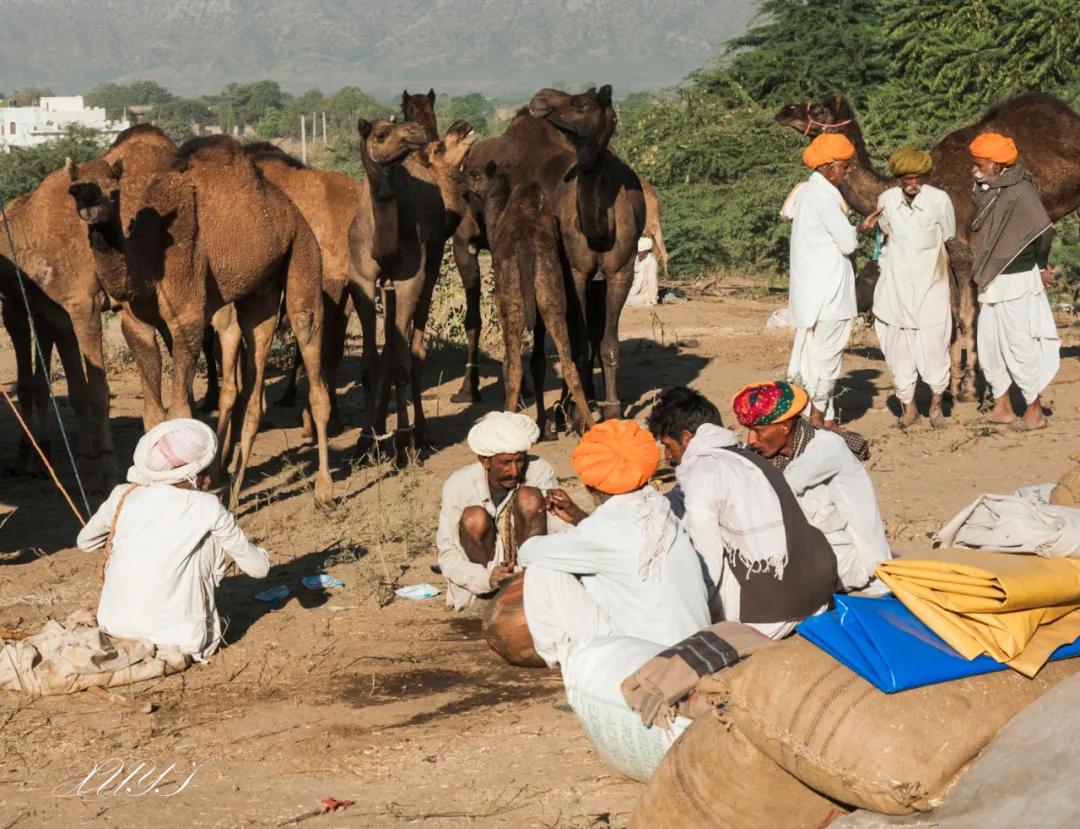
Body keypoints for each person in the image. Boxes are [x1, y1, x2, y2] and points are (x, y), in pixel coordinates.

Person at [647, 386, 839, 639]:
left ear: (686, 436)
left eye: (669, 445)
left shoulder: (701, 473)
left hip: (774, 614)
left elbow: (709, 560)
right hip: (818, 592)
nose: (668, 456)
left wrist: (695, 621)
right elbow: (676, 499)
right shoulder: (748, 459)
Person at [519, 419, 709, 666]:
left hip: (651, 665)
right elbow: (615, 542)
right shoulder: (662, 508)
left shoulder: (603, 529)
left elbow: (528, 552)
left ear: (589, 489)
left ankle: (569, 670)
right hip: (698, 654)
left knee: (541, 570)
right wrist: (578, 518)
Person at [76, 418, 269, 661]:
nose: (208, 476)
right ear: (194, 471)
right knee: (210, 539)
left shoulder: (122, 494)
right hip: (181, 640)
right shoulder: (207, 506)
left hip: (114, 627)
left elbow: (85, 542)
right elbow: (259, 569)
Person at [735, 381, 891, 591]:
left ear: (785, 426)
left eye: (758, 430)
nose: (751, 440)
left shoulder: (827, 448)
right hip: (822, 569)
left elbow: (778, 488)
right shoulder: (774, 455)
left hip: (861, 575)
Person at [784, 132, 882, 427]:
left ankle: (821, 415)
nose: (848, 170)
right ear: (829, 168)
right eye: (844, 166)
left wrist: (856, 227)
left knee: (812, 357)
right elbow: (848, 245)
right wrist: (859, 230)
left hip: (809, 293)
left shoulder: (804, 192)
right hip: (830, 294)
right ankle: (817, 416)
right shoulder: (825, 196)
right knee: (828, 357)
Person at [969, 132, 1060, 431]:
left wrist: (1040, 266)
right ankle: (1002, 406)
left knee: (1019, 345)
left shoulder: (1020, 191)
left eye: (979, 163)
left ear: (996, 164)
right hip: (993, 280)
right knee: (990, 344)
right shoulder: (986, 189)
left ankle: (1034, 412)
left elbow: (1042, 230)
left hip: (1017, 278)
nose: (974, 168)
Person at [436, 411, 561, 612]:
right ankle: (487, 600)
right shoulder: (458, 484)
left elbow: (559, 528)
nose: (514, 471)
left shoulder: (539, 471)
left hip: (532, 571)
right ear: (485, 461)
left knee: (529, 497)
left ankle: (532, 588)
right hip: (484, 579)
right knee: (474, 518)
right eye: (505, 463)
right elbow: (447, 554)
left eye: (519, 461)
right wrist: (486, 579)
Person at [873, 146, 957, 428]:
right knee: (897, 347)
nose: (913, 184)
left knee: (934, 344)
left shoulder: (939, 200)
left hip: (931, 282)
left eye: (918, 178)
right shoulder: (886, 199)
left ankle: (936, 406)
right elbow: (885, 231)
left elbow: (949, 233)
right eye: (907, 179)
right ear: (897, 178)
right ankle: (909, 409)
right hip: (895, 285)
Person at [626, 236, 659, 307]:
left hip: (645, 295)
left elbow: (652, 281)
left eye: (640, 251)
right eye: (638, 251)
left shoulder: (651, 262)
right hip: (634, 291)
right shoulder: (636, 259)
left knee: (624, 300)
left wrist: (653, 299)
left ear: (646, 251)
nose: (639, 253)